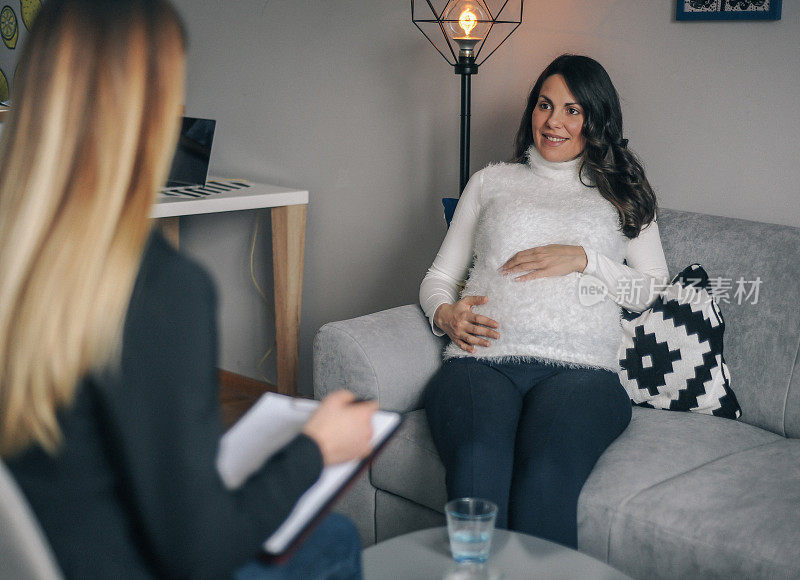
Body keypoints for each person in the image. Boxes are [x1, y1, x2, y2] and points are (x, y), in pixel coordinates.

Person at [0, 1, 374, 578]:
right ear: (146, 113)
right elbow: (199, 554)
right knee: (335, 540)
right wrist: (316, 449)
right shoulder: (158, 290)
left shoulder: (22, 258)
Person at [420, 54, 670, 549]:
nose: (553, 121)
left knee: (547, 478)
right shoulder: (491, 182)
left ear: (597, 120)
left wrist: (584, 259)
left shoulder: (621, 192)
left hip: (582, 373)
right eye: (544, 105)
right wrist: (444, 314)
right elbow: (439, 278)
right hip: (480, 362)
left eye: (573, 110)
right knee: (476, 466)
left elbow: (651, 290)